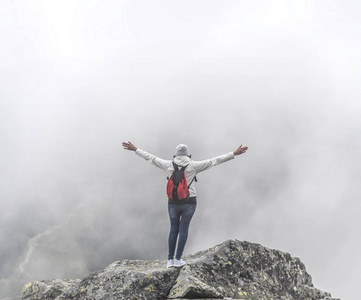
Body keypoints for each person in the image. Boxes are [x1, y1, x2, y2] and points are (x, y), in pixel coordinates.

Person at [122, 141, 248, 268]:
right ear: (188, 155)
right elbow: (214, 161)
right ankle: (178, 259)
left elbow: (151, 157)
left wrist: (135, 149)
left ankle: (170, 260)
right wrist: (234, 153)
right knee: (183, 229)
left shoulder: (168, 165)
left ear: (175, 155)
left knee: (173, 229)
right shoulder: (193, 166)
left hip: (172, 202)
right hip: (190, 201)